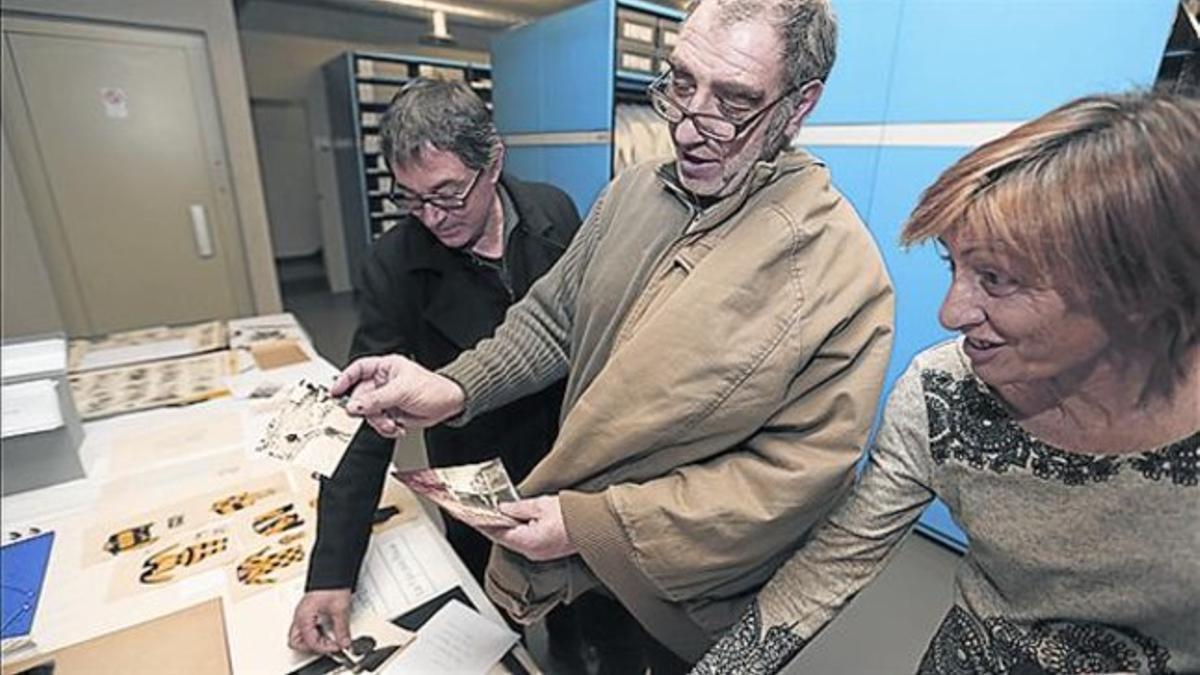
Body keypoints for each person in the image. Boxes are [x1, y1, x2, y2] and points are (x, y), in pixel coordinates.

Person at [331, 0, 896, 670]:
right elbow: (553, 319)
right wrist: (452, 385)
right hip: (573, 559)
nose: (689, 129)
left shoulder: (841, 276)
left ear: (799, 106)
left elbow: (788, 483)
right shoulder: (632, 196)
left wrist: (591, 526)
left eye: (734, 101)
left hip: (688, 600)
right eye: (681, 84)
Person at [690, 89, 1200, 674]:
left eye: (998, 279)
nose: (951, 313)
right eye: (953, 266)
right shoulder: (942, 394)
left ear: (1136, 292)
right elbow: (833, 563)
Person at [287, 79, 604, 666]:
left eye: (448, 194)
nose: (431, 217)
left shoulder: (554, 210)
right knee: (492, 631)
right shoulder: (395, 263)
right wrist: (331, 572)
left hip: (571, 460)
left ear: (494, 163)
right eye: (410, 199)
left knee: (582, 622)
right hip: (476, 472)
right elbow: (363, 421)